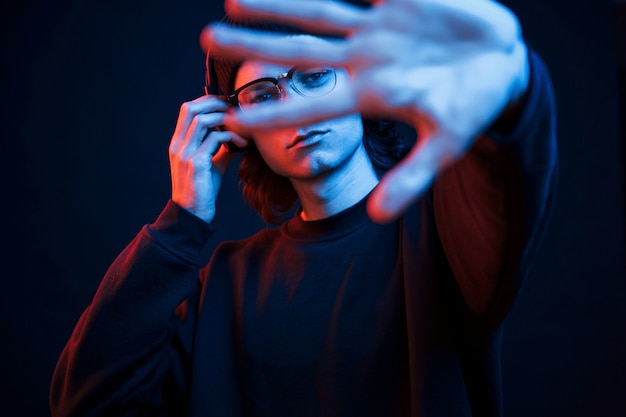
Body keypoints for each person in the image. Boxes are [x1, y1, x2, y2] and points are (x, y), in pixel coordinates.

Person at [50, 0, 557, 416]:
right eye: (264, 95)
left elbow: (506, 184)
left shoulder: (441, 229)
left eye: (314, 76)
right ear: (237, 127)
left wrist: (515, 85)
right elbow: (86, 403)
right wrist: (181, 221)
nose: (293, 106)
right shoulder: (224, 284)